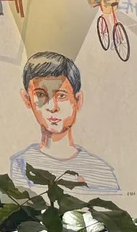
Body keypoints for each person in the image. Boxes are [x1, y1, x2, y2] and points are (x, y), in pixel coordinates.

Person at [8, 52, 120, 193]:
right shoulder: (21, 165)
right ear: (27, 99)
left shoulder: (100, 170)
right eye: (41, 95)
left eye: (61, 96)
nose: (52, 107)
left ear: (77, 100)